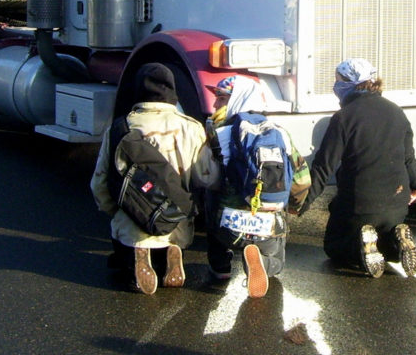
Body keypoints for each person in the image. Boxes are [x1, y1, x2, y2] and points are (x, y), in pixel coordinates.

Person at [90, 62, 216, 294]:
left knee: (127, 238)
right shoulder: (192, 128)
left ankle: (139, 254)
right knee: (174, 228)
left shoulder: (121, 128)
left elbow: (100, 181)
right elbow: (206, 178)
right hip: (176, 219)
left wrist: (113, 211)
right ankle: (173, 248)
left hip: (132, 223)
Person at [298, 58, 416, 278]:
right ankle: (395, 239)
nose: (335, 86)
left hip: (358, 204)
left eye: (338, 81)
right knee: (385, 240)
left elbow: (324, 167)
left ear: (349, 83)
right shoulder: (396, 112)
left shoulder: (344, 117)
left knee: (334, 248)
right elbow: (408, 158)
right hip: (397, 203)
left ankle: (360, 246)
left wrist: (301, 203)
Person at [204, 76, 310, 298]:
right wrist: (292, 206)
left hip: (227, 225)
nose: (215, 105)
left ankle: (221, 266)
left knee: (210, 195)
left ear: (237, 99)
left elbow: (206, 179)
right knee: (276, 262)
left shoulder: (218, 133)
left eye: (221, 99)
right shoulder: (280, 133)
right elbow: (301, 180)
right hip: (269, 222)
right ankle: (265, 261)